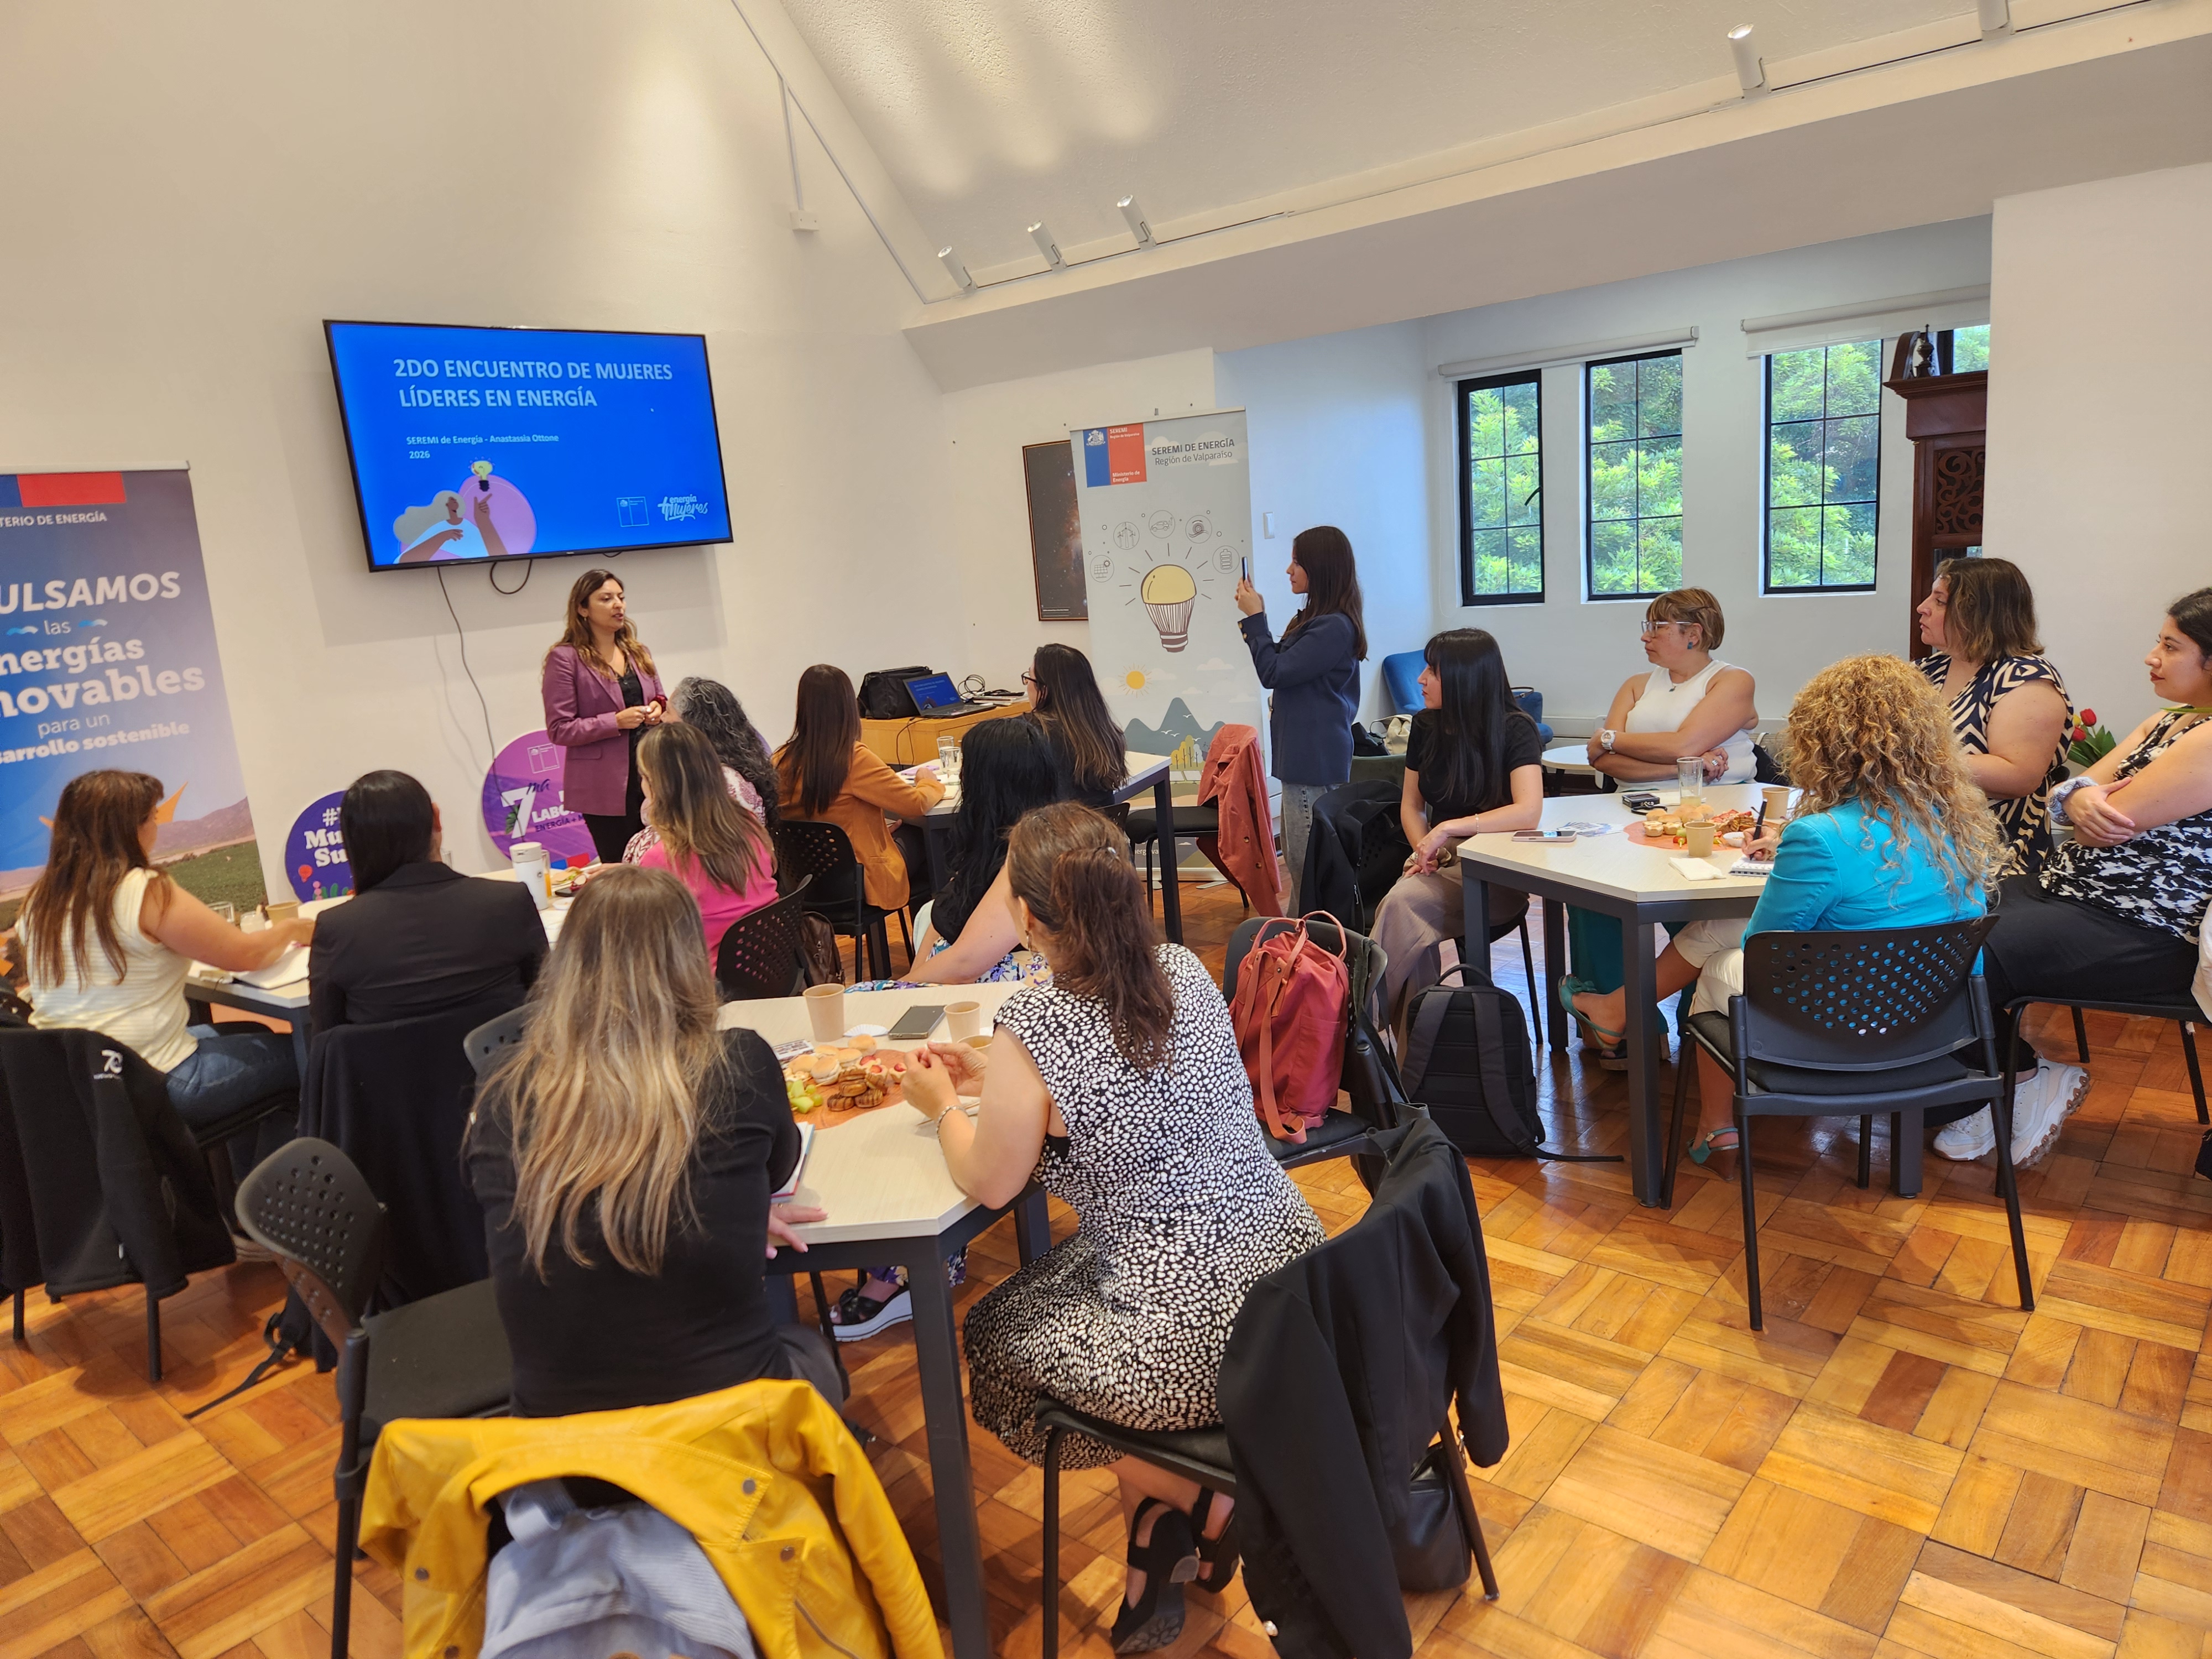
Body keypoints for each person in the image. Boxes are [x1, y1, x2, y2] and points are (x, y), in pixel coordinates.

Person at [904, 803, 1323, 1652]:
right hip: (1291, 1288)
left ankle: (1202, 1504)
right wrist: (1005, 1077)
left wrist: (945, 1103)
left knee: (992, 1337)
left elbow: (989, 1177)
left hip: (1191, 1332)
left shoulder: (1037, 1019)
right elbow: (1130, 1082)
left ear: (1025, 917)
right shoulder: (1179, 968)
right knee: (1081, 1283)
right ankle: (1166, 1542)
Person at [1567, 656, 2003, 1175]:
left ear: (1823, 742)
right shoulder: (1954, 821)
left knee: (1720, 963)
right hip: (1932, 1012)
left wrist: (1794, 858)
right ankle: (1618, 1010)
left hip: (1839, 1015)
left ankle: (1715, 1126)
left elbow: (1765, 947)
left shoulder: (1820, 835)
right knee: (1717, 930)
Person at [466, 864, 837, 1417]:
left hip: (561, 1446)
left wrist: (724, 1198)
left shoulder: (501, 1097)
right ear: (689, 960)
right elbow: (779, 1173)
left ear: (565, 966)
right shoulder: (737, 1063)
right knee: (813, 1350)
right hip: (727, 1429)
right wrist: (730, 1201)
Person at [1939, 589, 2212, 1163]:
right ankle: (2003, 1085)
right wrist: (2076, 798)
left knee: (1961, 950)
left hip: (2143, 927)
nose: (2150, 657)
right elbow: (2063, 797)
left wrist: (2080, 802)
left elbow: (2111, 815)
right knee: (1937, 912)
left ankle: (2017, 1080)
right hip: (2070, 888)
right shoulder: (2164, 722)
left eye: (2170, 646)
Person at [829, 717, 1060, 1343]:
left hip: (1000, 1008)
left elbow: (958, 962)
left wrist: (902, 990)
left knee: (881, 1042)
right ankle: (898, 1247)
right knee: (880, 1036)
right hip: (987, 1005)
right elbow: (947, 945)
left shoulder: (1028, 861)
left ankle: (905, 1257)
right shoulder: (1018, 847)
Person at [21, 770, 314, 1140]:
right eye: (151, 818)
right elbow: (247, 955)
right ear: (129, 828)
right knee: (312, 1057)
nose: (156, 828)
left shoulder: (38, 902)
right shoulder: (144, 890)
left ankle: (245, 1183)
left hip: (80, 1084)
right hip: (153, 1082)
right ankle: (288, 1187)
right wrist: (293, 928)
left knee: (250, 1031)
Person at [1567, 588, 1761, 1065]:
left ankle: (1700, 1026)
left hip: (1716, 816)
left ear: (1693, 634)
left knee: (1692, 910)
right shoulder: (1637, 684)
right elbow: (1605, 760)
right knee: (1594, 898)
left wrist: (1630, 741)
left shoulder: (1731, 681)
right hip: (1633, 812)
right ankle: (1629, 1031)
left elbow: (1684, 739)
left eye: (1656, 627)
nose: (1645, 636)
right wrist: (1684, 764)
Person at [1370, 630, 1545, 1034]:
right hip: (1437, 861)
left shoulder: (1515, 728)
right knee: (1409, 919)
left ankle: (1359, 1031)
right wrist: (1424, 849)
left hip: (1495, 871)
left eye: (1432, 670)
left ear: (1465, 677)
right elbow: (1411, 806)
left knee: (1403, 906)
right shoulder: (1426, 725)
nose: (1421, 679)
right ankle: (1412, 1066)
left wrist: (1448, 829)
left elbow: (1528, 811)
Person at [307, 770, 546, 1031]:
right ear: (436, 819)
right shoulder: (509, 903)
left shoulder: (337, 929)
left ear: (349, 842)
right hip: (508, 1069)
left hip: (389, 1072)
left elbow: (326, 1038)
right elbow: (549, 1002)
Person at [1234, 526, 1366, 912]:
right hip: (1305, 758)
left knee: (1308, 866)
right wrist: (1257, 622)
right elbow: (1278, 665)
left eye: (1297, 561)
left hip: (1313, 761)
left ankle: (1313, 955)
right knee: (1301, 862)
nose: (1288, 570)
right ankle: (1300, 947)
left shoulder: (1333, 627)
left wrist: (1256, 619)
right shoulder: (1316, 620)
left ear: (1319, 567)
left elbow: (1273, 673)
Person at [1913, 556, 2073, 871]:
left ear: (1979, 614)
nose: (1923, 607)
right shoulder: (1928, 670)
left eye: (1940, 600)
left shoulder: (2026, 678)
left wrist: (1905, 758)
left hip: (1988, 857)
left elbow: (2017, 775)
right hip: (1917, 843)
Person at [775, 664, 942, 916]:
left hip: (805, 884)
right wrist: (927, 780)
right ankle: (929, 941)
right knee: (933, 842)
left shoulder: (780, 760)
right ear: (847, 705)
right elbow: (915, 804)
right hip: (859, 882)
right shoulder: (853, 759)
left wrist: (875, 828)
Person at [542, 568, 665, 865]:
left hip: (654, 776)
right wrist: (615, 721)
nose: (618, 605)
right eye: (606, 599)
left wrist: (659, 708)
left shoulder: (638, 652)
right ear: (583, 609)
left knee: (661, 864)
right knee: (623, 870)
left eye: (621, 598)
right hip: (606, 786)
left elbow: (660, 696)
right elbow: (560, 729)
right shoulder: (565, 658)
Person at [630, 724, 778, 961]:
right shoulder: (748, 824)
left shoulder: (659, 858)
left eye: (644, 777)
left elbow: (648, 942)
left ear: (657, 785)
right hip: (773, 963)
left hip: (707, 984)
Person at [668, 675, 781, 829]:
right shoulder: (741, 757)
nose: (661, 718)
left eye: (668, 712)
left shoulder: (725, 782)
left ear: (691, 724)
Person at [1024, 644, 1127, 810]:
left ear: (1045, 689)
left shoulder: (1032, 735)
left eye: (1030, 677)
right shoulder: (1104, 731)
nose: (1027, 684)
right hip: (1099, 832)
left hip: (1053, 833)